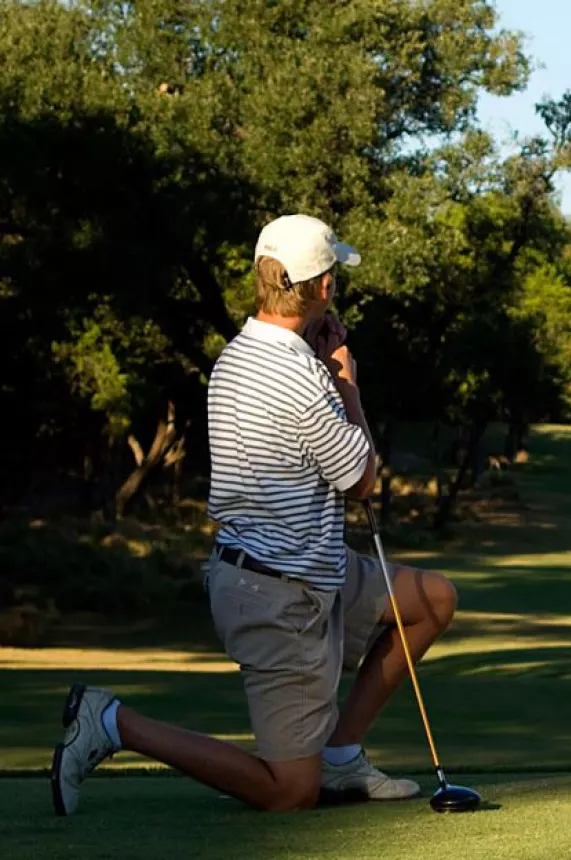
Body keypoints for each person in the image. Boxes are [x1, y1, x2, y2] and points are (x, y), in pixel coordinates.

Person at [51, 214, 459, 815]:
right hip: (279, 593)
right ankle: (113, 723)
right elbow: (362, 482)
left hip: (303, 568)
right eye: (334, 277)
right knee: (289, 790)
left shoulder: (237, 356)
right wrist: (348, 384)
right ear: (321, 287)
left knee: (431, 600)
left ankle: (342, 757)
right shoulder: (304, 378)